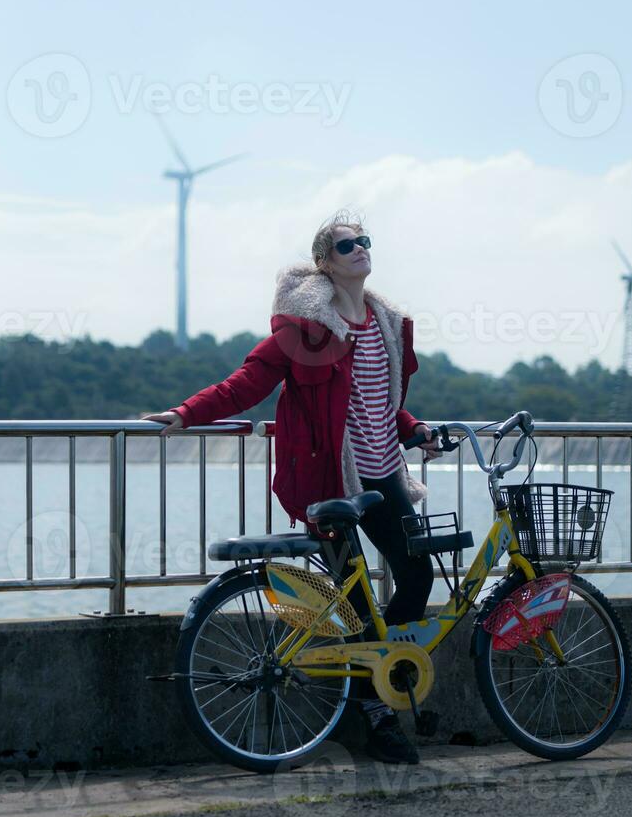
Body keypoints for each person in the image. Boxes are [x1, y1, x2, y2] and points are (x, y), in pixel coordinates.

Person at [142, 209, 443, 765]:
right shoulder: (306, 330)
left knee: (418, 573)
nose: (360, 251)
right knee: (351, 603)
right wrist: (187, 413)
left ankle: (377, 682)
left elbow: (380, 404)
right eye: (347, 246)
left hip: (386, 479)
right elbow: (246, 383)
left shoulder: (386, 325)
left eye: (365, 242)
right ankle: (373, 719)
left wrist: (416, 429)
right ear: (324, 263)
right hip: (333, 483)